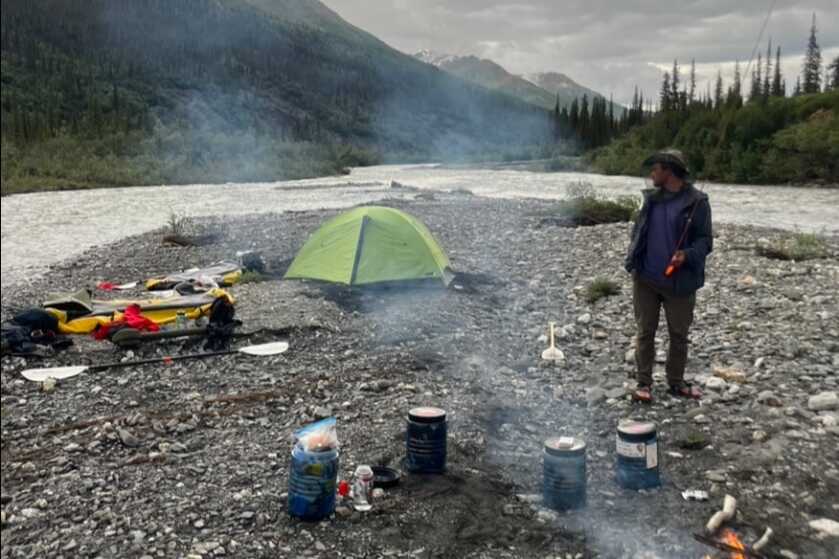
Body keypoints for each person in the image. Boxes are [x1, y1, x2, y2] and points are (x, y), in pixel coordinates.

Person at [625, 149, 712, 403]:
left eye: (655, 169)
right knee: (645, 332)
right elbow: (638, 232)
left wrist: (687, 255)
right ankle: (643, 383)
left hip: (680, 282)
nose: (651, 173)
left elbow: (705, 241)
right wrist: (633, 261)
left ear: (669, 171)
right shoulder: (651, 199)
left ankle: (676, 382)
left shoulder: (698, 202)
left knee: (679, 336)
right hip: (645, 278)